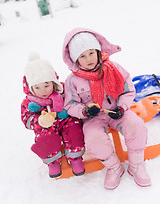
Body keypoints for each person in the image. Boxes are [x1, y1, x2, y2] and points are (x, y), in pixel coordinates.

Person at [62, 27, 151, 189]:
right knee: (94, 138)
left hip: (118, 111)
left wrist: (122, 107)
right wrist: (84, 111)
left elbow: (128, 89)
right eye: (82, 56)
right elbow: (70, 105)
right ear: (75, 59)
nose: (88, 58)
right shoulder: (72, 80)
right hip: (93, 118)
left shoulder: (114, 68)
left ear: (98, 51)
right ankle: (114, 167)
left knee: (136, 125)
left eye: (91, 53)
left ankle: (136, 164)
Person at [21, 53, 85, 178]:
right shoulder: (29, 102)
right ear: (30, 87)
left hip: (65, 120)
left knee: (74, 130)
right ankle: (53, 161)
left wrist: (68, 111)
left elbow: (73, 101)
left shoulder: (62, 91)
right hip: (46, 127)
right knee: (46, 138)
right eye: (37, 87)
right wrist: (39, 121)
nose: (43, 91)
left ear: (53, 82)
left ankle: (75, 157)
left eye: (46, 85)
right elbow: (26, 118)